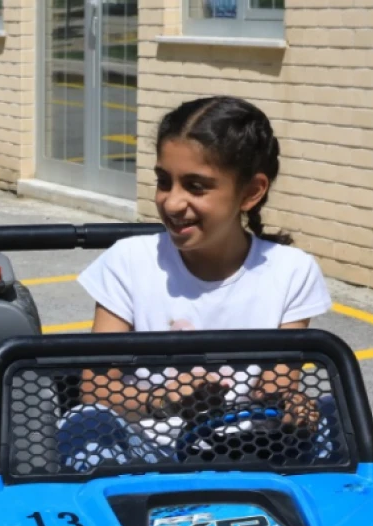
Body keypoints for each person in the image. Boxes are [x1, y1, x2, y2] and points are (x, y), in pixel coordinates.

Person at [62, 96, 334, 470]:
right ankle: (112, 520)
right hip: (146, 455)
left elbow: (276, 384)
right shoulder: (128, 261)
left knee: (332, 414)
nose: (172, 203)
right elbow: (95, 389)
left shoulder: (292, 270)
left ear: (251, 192)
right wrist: (163, 401)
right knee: (84, 422)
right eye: (163, 182)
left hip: (254, 449)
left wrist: (291, 405)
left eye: (196, 186)